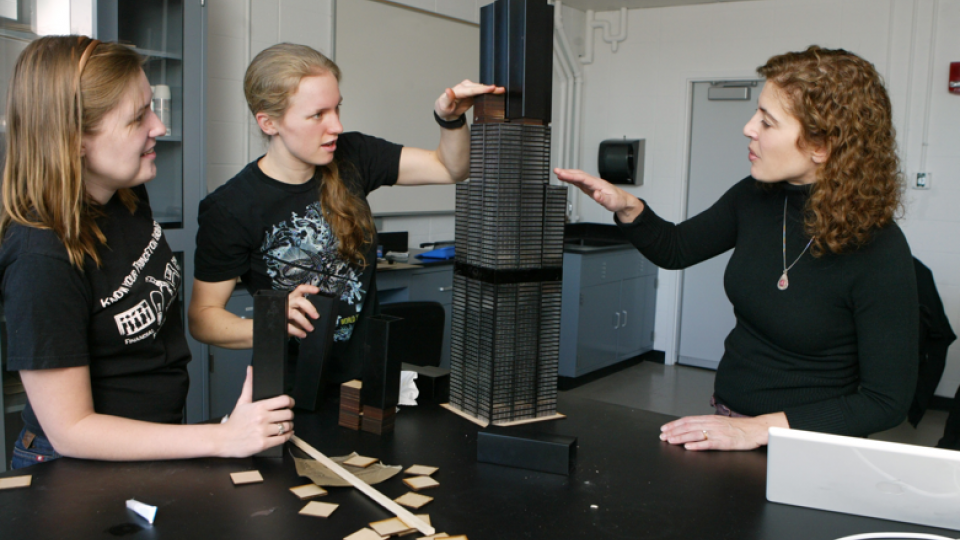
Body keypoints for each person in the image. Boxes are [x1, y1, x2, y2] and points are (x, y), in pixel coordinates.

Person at [555, 46, 918, 451]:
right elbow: (676, 249)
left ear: (821, 146)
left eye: (767, 121)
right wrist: (628, 208)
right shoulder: (755, 197)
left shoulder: (879, 249)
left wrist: (760, 429)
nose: (748, 128)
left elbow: (885, 402)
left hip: (811, 445)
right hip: (726, 421)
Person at [0, 36, 294, 469]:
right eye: (138, 117)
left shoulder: (126, 193)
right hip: (71, 467)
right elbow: (71, 428)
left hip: (151, 442)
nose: (159, 126)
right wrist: (222, 438)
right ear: (75, 138)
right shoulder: (39, 257)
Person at [188, 44, 501, 385]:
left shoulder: (354, 154)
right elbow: (203, 318)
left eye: (337, 108)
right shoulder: (231, 206)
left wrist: (450, 118)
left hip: (367, 376)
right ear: (269, 122)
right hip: (290, 386)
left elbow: (451, 168)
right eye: (318, 115)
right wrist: (271, 324)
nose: (336, 125)